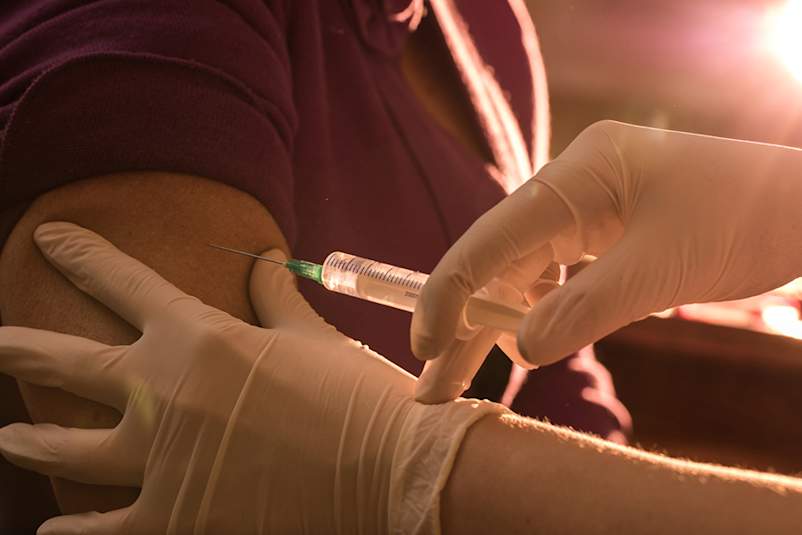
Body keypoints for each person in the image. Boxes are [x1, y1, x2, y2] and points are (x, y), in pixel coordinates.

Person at [0, 0, 629, 524]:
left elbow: (546, 342)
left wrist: (419, 465)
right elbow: (142, 475)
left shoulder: (492, 20)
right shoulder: (148, 22)